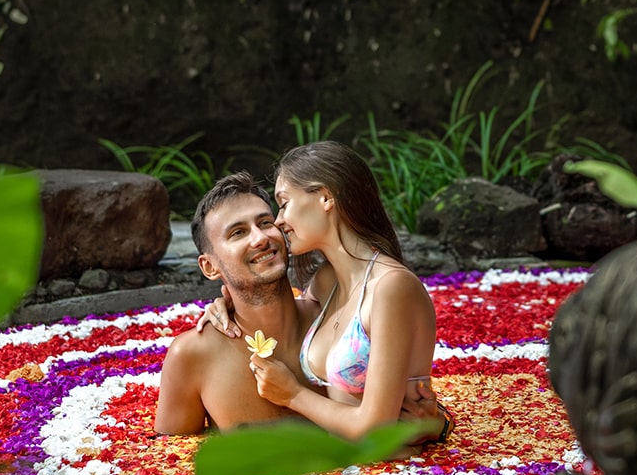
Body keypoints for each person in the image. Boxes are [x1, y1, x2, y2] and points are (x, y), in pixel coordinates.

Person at [207, 141, 448, 442]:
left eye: (284, 203)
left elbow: (376, 429)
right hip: (339, 471)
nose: (279, 221)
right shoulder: (326, 282)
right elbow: (286, 317)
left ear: (324, 198)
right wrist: (228, 301)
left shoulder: (390, 287)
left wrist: (293, 395)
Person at [154, 172, 320, 434]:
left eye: (265, 222)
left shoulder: (333, 321)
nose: (260, 238)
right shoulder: (192, 356)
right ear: (209, 266)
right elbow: (171, 462)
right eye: (238, 232)